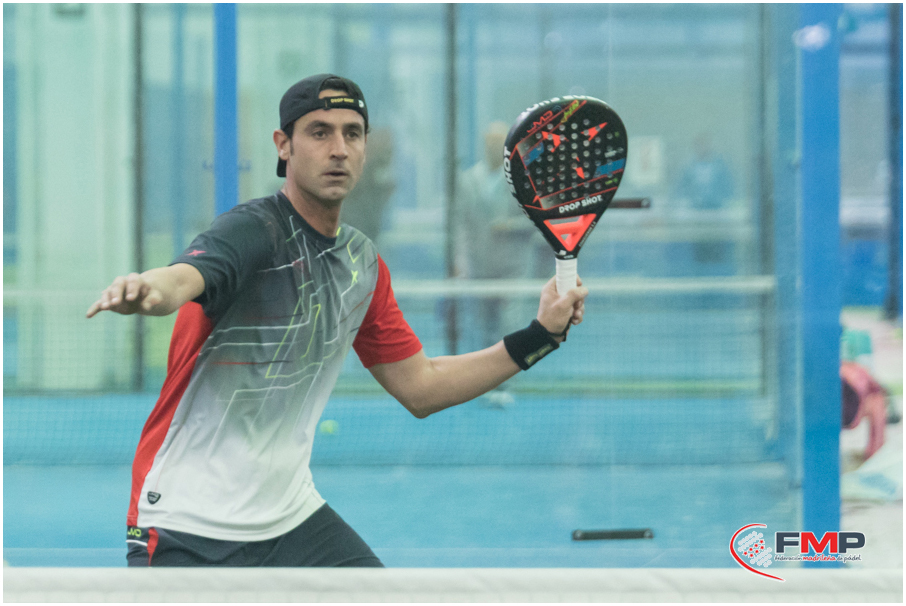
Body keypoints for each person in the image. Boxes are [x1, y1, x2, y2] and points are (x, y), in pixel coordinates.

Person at [86, 74, 588, 568]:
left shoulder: (361, 266)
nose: (339, 149)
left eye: (352, 133)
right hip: (187, 521)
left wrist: (540, 336)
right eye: (320, 132)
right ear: (284, 145)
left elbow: (422, 388)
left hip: (289, 517)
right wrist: (148, 291)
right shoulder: (252, 229)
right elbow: (181, 279)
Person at [455, 122, 543, 351]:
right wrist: (461, 261)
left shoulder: (524, 179)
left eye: (498, 142)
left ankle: (509, 373)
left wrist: (511, 226)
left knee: (511, 327)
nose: (493, 147)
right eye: (490, 142)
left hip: (513, 269)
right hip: (480, 268)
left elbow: (539, 220)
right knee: (482, 328)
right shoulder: (468, 180)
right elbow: (460, 224)